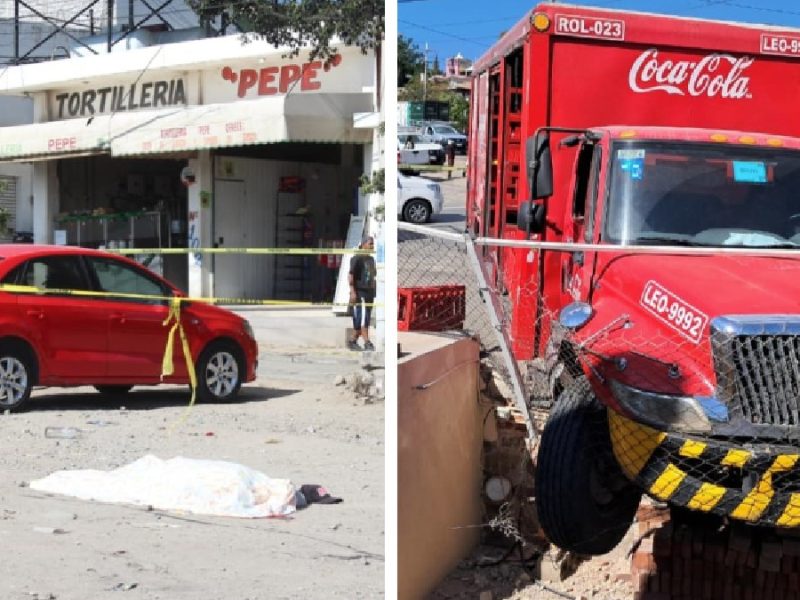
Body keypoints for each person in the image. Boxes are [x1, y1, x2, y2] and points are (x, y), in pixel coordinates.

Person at [348, 235, 377, 351]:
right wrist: (352, 292)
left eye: (372, 244)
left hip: (369, 292)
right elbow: (351, 276)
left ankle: (353, 341)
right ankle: (366, 341)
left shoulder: (371, 259)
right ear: (364, 244)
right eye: (370, 244)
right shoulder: (357, 258)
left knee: (366, 317)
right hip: (360, 292)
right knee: (361, 316)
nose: (372, 246)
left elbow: (373, 275)